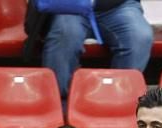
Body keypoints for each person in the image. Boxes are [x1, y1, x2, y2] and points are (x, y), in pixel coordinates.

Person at [26, 0, 154, 102]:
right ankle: (60, 101)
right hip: (68, 6)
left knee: (140, 36)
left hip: (117, 6)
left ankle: (119, 99)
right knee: (66, 33)